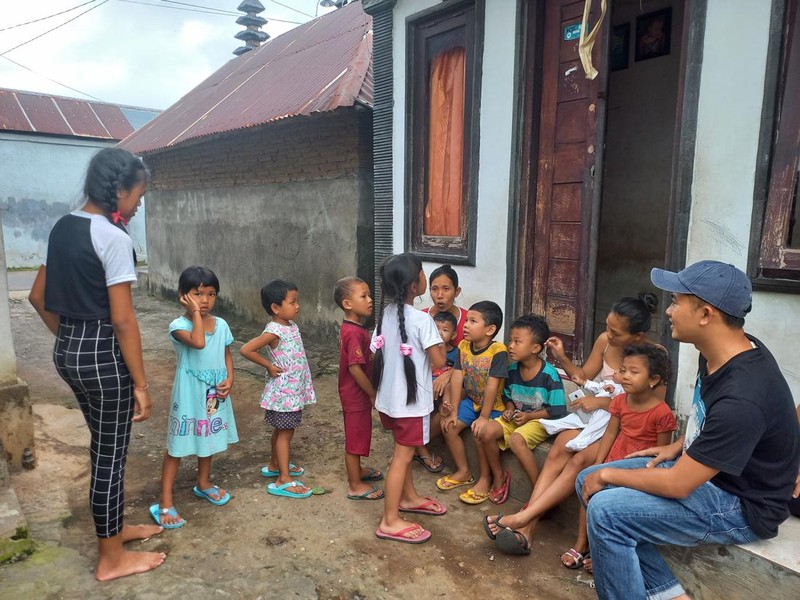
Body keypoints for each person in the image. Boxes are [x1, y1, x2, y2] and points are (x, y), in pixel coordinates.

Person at [577, 260, 799, 600]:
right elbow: (708, 417)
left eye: (676, 301)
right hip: (709, 472)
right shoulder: (717, 351)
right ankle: (668, 593)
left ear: (706, 314)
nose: (667, 310)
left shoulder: (744, 395)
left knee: (606, 510)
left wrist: (609, 476)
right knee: (585, 480)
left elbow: (679, 484)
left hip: (742, 504)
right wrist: (680, 443)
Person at [28, 147, 166, 580]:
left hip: (69, 349)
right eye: (138, 195)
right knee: (111, 457)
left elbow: (37, 296)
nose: (139, 204)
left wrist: (73, 342)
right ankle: (111, 559)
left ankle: (115, 530)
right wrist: (141, 384)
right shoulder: (112, 237)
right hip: (104, 355)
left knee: (104, 448)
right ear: (119, 189)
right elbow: (123, 320)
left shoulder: (64, 226)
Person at [483, 294, 664, 555]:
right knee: (561, 445)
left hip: (621, 426)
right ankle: (528, 523)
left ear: (637, 336)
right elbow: (583, 377)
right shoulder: (604, 342)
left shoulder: (655, 356)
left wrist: (602, 403)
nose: (608, 335)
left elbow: (652, 406)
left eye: (615, 333)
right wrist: (563, 357)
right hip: (595, 419)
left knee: (579, 461)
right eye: (607, 327)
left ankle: (525, 519)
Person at [560, 344, 676, 571]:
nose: (625, 376)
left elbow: (661, 452)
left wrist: (648, 478)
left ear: (653, 379)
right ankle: (581, 543)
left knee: (614, 506)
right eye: (623, 371)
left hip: (638, 467)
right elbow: (612, 432)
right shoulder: (620, 402)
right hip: (615, 457)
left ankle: (600, 553)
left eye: (634, 372)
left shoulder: (662, 413)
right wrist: (598, 463)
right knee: (589, 490)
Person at [150, 266, 238, 529]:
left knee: (207, 435)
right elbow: (198, 342)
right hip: (189, 394)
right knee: (178, 444)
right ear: (182, 296)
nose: (205, 300)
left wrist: (230, 379)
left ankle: (204, 482)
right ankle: (165, 501)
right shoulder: (178, 326)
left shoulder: (221, 325)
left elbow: (226, 355)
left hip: (214, 392)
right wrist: (197, 315)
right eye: (198, 294)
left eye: (211, 294)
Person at [372, 253, 447, 543]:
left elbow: (375, 351)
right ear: (415, 285)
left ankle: (409, 497)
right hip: (410, 404)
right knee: (402, 458)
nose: (425, 276)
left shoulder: (384, 315)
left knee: (402, 452)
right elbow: (439, 361)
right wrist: (441, 339)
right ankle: (389, 520)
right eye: (423, 272)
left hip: (389, 401)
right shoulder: (421, 320)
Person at [240, 279, 317, 499]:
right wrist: (269, 366)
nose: (297, 306)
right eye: (292, 302)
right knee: (285, 433)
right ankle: (283, 479)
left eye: (297, 301)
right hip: (285, 394)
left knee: (280, 431)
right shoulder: (274, 331)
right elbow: (246, 349)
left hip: (291, 391)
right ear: (275, 308)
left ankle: (275, 464)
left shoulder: (290, 325)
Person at [480, 315, 566, 505]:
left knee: (517, 440)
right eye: (510, 340)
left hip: (541, 419)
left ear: (536, 348)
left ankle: (539, 493)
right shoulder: (512, 370)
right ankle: (499, 475)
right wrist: (509, 409)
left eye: (517, 341)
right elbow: (507, 396)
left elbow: (558, 410)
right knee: (486, 431)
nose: (510, 345)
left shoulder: (549, 374)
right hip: (519, 417)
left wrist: (530, 416)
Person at [437, 301, 508, 505]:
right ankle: (463, 471)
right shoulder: (464, 346)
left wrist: (484, 417)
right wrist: (452, 410)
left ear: (490, 329)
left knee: (479, 434)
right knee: (449, 427)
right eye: (466, 320)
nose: (465, 325)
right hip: (472, 401)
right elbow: (457, 376)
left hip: (493, 407)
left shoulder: (498, 351)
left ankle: (486, 478)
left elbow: (493, 386)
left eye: (473, 321)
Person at [333, 276, 384, 500]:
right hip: (356, 395)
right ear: (347, 304)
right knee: (355, 439)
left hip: (356, 394)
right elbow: (355, 369)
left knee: (360, 434)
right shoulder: (354, 332)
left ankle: (359, 472)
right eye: (363, 296)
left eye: (369, 295)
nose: (370, 300)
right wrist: (372, 393)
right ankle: (355, 484)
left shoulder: (355, 328)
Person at [417, 264, 467, 470]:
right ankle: (418, 448)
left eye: (446, 289)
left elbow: (470, 359)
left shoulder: (468, 320)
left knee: (449, 400)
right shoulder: (420, 317)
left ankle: (413, 446)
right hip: (424, 376)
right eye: (434, 289)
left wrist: (447, 376)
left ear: (457, 292)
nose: (440, 295)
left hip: (454, 380)